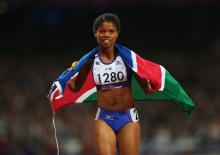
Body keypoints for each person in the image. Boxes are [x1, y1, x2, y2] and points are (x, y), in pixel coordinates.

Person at [67, 13, 155, 155]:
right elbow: (76, 86)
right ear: (95, 33)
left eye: (111, 31)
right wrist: (65, 81)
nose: (106, 35)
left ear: (117, 34)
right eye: (102, 31)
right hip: (104, 117)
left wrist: (150, 87)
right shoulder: (89, 60)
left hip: (128, 117)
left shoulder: (128, 58)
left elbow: (146, 88)